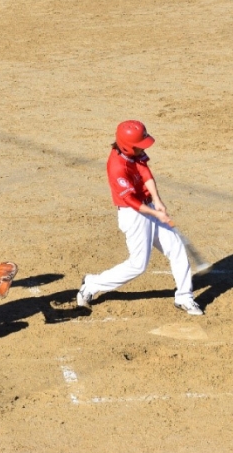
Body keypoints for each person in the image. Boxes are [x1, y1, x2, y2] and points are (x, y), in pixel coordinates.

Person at [77, 121, 204, 316]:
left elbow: (145, 172)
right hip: (133, 214)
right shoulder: (116, 166)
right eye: (140, 145)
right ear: (128, 146)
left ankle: (184, 297)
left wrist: (157, 201)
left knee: (176, 248)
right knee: (138, 265)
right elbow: (130, 200)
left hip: (149, 206)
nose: (143, 148)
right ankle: (91, 284)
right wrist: (155, 213)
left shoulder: (133, 152)